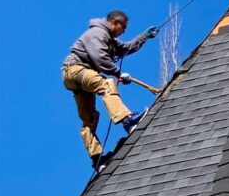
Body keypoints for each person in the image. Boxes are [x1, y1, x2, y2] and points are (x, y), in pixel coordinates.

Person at [62, 10, 159, 170]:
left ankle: (97, 159)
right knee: (106, 85)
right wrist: (118, 73)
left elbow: (126, 48)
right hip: (76, 69)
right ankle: (128, 121)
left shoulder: (110, 40)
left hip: (74, 77)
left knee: (89, 119)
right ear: (115, 22)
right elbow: (100, 58)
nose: (124, 31)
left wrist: (144, 36)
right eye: (124, 27)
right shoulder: (97, 33)